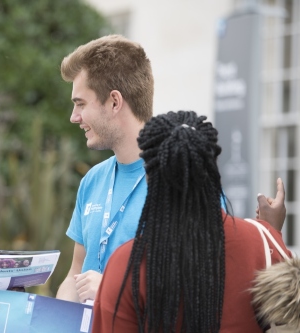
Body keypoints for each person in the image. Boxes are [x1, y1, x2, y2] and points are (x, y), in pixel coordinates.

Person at [92, 110, 291, 332]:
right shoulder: (262, 244)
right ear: (212, 169)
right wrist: (271, 232)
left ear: (149, 176)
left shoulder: (127, 264)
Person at [55, 34, 154, 303]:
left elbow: (197, 289)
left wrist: (113, 290)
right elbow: (76, 274)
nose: (74, 117)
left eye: (80, 104)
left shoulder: (181, 180)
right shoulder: (92, 180)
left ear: (114, 102)